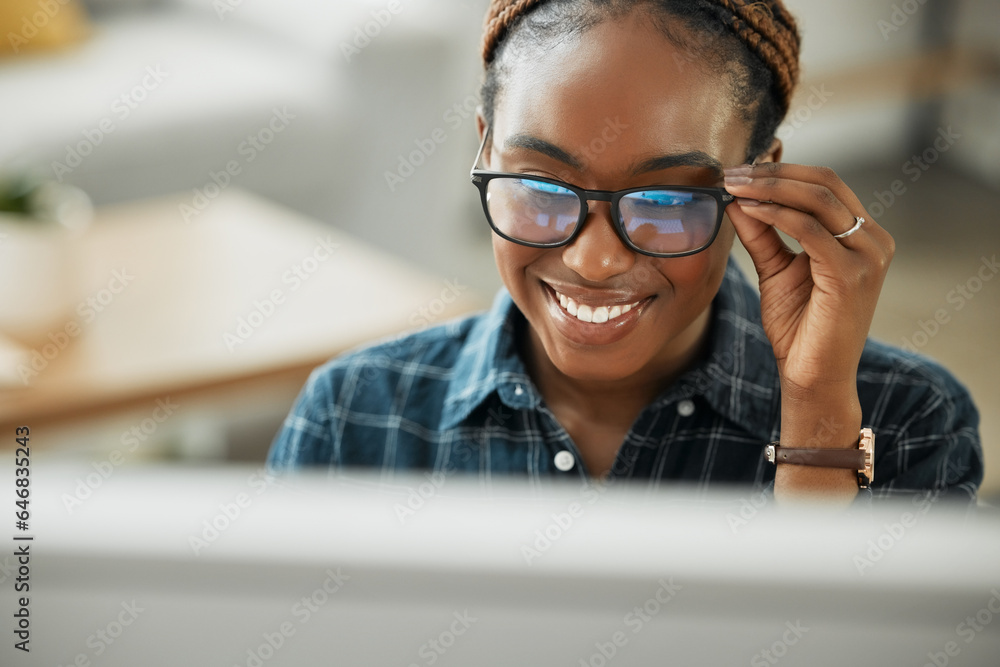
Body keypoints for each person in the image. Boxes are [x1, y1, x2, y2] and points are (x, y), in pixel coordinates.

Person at [268, 0, 983, 504]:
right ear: (484, 148)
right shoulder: (352, 417)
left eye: (667, 201)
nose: (595, 261)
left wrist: (819, 418)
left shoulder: (909, 421)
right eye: (543, 185)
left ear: (759, 183)